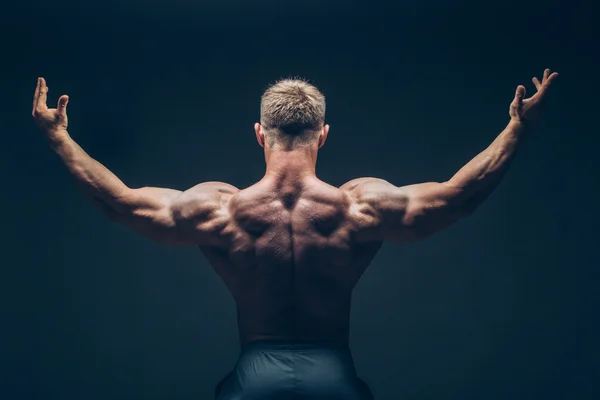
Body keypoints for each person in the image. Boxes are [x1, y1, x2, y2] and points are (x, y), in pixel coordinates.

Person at [32, 69, 558, 399]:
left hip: (252, 377)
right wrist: (517, 129)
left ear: (259, 133)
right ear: (323, 135)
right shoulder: (360, 206)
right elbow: (459, 196)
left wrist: (59, 138)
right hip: (335, 376)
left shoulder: (220, 211)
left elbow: (119, 203)